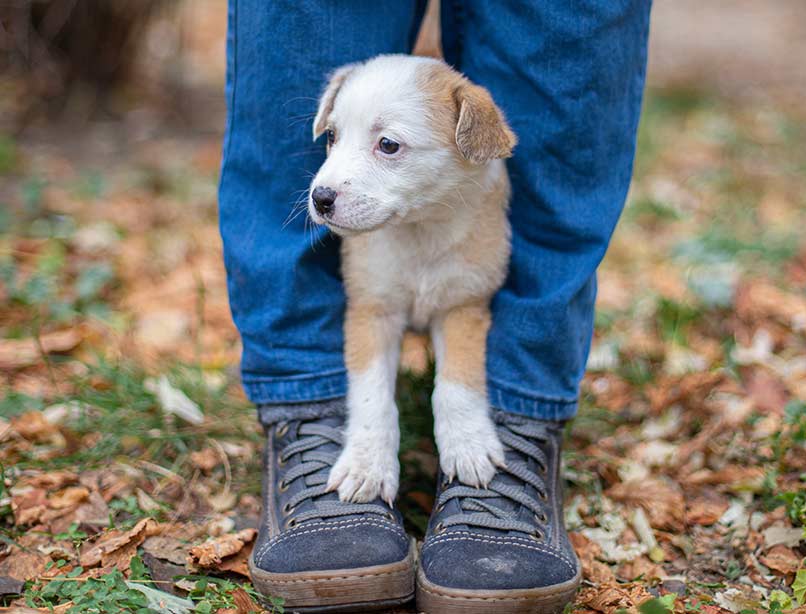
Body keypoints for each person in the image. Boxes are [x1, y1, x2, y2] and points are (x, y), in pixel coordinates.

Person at [218, 1, 651, 611]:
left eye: (388, 146)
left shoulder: (474, 136)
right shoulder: (351, 191)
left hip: (463, 234)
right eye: (336, 136)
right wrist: (375, 437)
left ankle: (516, 410)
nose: (328, 180)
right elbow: (372, 310)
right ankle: (315, 410)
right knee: (307, 23)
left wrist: (459, 408)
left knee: (563, 31)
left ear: (470, 141)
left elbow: (464, 309)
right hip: (382, 287)